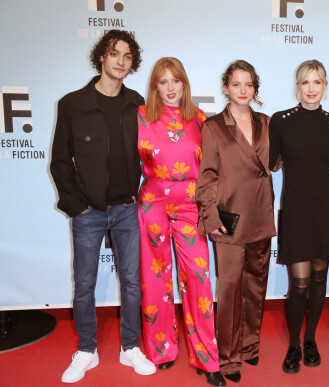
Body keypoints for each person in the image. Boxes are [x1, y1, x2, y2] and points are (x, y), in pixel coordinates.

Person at [50, 29, 155, 383]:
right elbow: (60, 163)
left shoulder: (138, 104)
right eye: (115, 54)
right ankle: (86, 349)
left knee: (132, 282)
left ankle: (130, 346)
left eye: (127, 56)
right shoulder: (72, 104)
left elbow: (152, 156)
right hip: (88, 213)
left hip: (127, 209)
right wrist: (77, 206)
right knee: (84, 284)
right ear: (101, 57)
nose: (121, 61)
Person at [137, 57, 225, 387]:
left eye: (176, 81)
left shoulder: (201, 119)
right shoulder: (141, 117)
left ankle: (207, 357)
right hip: (153, 204)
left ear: (184, 84)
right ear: (155, 87)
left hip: (191, 205)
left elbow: (214, 169)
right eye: (164, 82)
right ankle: (162, 350)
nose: (171, 88)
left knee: (199, 279)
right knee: (155, 279)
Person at [196, 60, 276, 384]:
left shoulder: (269, 123)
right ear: (226, 87)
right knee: (229, 290)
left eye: (248, 84)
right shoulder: (213, 126)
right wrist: (210, 216)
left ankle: (249, 343)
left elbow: (278, 160)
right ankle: (228, 359)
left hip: (260, 212)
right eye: (236, 84)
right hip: (228, 216)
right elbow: (207, 176)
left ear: (255, 88)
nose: (243, 90)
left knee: (256, 285)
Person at [268, 59, 329, 374]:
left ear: (325, 86)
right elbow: (271, 161)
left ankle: (311, 339)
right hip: (297, 208)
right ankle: (293, 345)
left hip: (325, 207)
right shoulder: (281, 120)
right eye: (306, 82)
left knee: (319, 278)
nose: (312, 88)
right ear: (297, 86)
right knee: (298, 283)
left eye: (317, 82)